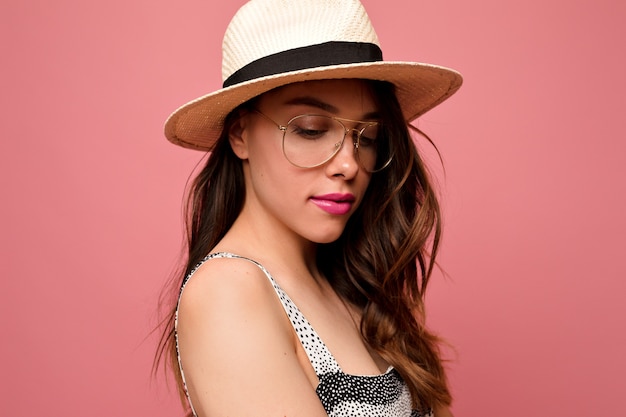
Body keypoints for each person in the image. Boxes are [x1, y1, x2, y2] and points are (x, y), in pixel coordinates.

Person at [156, 0, 462, 416]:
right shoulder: (228, 291)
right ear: (240, 133)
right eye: (312, 130)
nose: (349, 164)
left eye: (368, 137)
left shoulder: (352, 287)